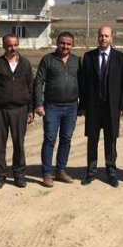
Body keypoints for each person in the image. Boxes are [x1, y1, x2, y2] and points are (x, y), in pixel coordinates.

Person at [78, 25, 123, 187]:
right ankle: (90, 172)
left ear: (112, 37)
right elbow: (83, 84)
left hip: (111, 107)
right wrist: (83, 105)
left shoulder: (120, 57)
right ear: (97, 37)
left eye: (106, 36)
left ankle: (111, 172)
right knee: (92, 139)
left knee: (111, 140)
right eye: (101, 35)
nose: (103, 38)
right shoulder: (89, 57)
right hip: (93, 107)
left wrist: (122, 106)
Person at [33, 31, 81, 188]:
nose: (65, 46)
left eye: (68, 44)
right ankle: (47, 173)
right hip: (52, 106)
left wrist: (82, 105)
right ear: (57, 43)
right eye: (62, 43)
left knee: (66, 139)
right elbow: (39, 82)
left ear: (72, 45)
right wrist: (39, 104)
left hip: (72, 107)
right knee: (50, 139)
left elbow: (83, 83)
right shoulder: (48, 60)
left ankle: (60, 170)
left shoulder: (77, 61)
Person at [0, 34, 34, 190]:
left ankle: (19, 175)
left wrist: (30, 109)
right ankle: (0, 176)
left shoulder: (25, 64)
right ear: (4, 46)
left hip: (20, 109)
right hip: (0, 110)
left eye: (15, 45)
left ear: (18, 45)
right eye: (9, 45)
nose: (12, 48)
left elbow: (30, 87)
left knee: (19, 144)